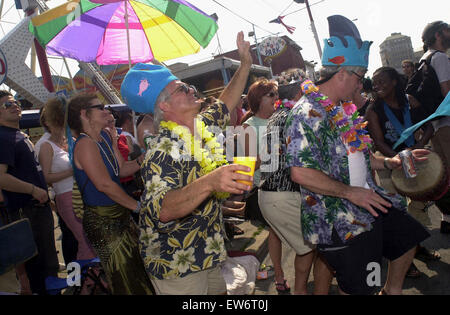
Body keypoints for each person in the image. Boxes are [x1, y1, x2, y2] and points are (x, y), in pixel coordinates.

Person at [285, 15, 430, 295]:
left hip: (369, 203)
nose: (360, 86)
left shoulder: (341, 109)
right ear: (342, 74)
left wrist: (389, 161)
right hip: (338, 217)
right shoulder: (304, 114)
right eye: (360, 78)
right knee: (363, 286)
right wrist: (351, 193)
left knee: (408, 238)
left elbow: (360, 155)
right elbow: (300, 173)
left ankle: (391, 291)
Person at [121, 32, 253, 295]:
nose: (192, 89)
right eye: (182, 88)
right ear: (165, 105)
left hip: (210, 251)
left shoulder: (200, 126)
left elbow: (225, 103)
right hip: (175, 262)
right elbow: (163, 209)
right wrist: (212, 181)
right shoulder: (163, 149)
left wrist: (245, 63)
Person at [67, 93, 154, 295]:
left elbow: (120, 170)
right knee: (124, 276)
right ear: (84, 114)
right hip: (103, 220)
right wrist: (138, 207)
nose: (107, 111)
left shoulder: (105, 137)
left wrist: (146, 157)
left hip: (119, 213)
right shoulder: (84, 144)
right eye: (100, 107)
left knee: (137, 270)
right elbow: (104, 184)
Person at [259, 76, 334, 295]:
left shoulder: (278, 115)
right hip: (283, 194)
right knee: (321, 246)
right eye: (309, 90)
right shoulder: (295, 114)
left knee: (309, 248)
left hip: (273, 194)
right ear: (298, 94)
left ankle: (301, 291)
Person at [366, 67, 438, 278]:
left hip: (415, 159)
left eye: (382, 81)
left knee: (417, 206)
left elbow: (429, 127)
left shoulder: (410, 101)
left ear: (395, 82)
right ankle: (405, 260)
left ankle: (416, 249)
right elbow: (378, 141)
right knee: (396, 210)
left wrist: (417, 148)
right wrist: (399, 159)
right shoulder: (373, 109)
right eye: (375, 82)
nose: (377, 86)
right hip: (389, 164)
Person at [0, 91, 59, 295]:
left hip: (37, 208)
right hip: (26, 210)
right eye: (7, 105)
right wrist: (34, 190)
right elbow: (1, 177)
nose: (15, 105)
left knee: (48, 265)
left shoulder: (17, 135)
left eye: (15, 102)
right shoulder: (3, 137)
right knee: (39, 269)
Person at [38, 98, 96, 261]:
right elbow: (46, 177)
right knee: (85, 242)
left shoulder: (70, 141)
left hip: (81, 194)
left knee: (90, 241)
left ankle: (90, 281)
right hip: (65, 197)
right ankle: (84, 283)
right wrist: (72, 171)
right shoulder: (46, 146)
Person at [420, 21, 450, 233]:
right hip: (447, 122)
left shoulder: (425, 58)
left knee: (446, 172)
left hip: (436, 125)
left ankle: (447, 217)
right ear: (439, 34)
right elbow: (447, 91)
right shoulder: (439, 57)